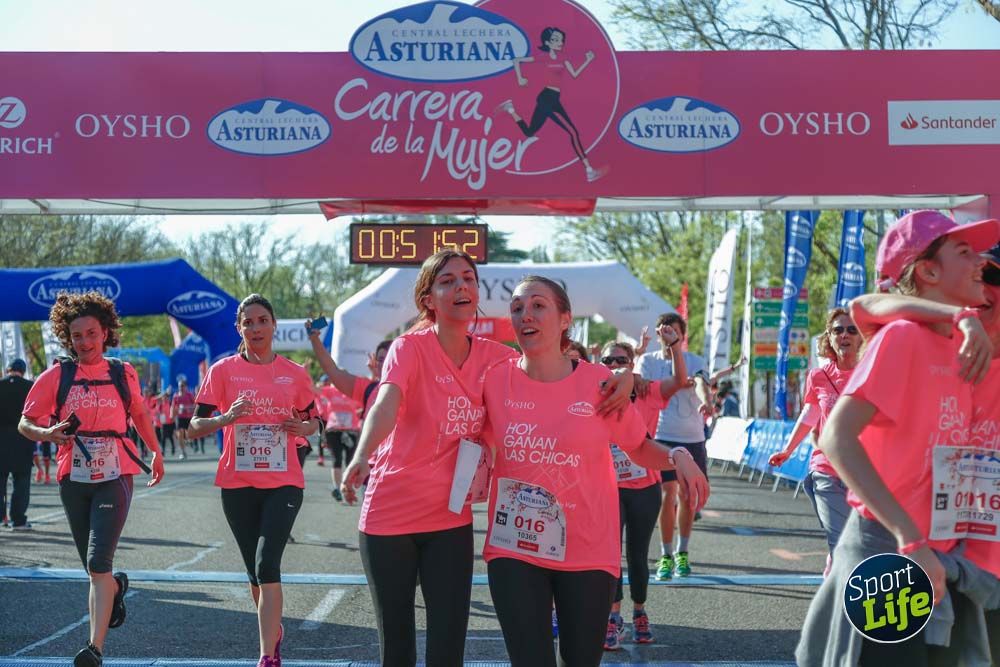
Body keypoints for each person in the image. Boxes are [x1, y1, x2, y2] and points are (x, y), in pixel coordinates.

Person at [339, 250, 634, 667]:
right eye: (447, 281)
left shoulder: (497, 358)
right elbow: (386, 401)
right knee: (398, 645)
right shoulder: (407, 348)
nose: (460, 286)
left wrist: (625, 375)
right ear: (429, 299)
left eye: (467, 279)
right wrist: (363, 453)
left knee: (448, 647)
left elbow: (557, 367)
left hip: (450, 519)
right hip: (391, 511)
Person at [795, 210, 1000, 665]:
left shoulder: (961, 351)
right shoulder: (904, 338)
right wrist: (910, 539)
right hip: (889, 555)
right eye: (964, 253)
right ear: (928, 271)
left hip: (947, 563)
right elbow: (835, 436)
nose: (979, 264)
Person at [478, 276, 709, 666]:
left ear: (565, 318)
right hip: (513, 546)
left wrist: (678, 457)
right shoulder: (494, 380)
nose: (525, 315)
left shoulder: (599, 384)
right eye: (517, 308)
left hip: (586, 549)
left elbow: (637, 446)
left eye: (538, 306)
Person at [18, 291, 165, 667]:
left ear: (105, 333)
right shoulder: (58, 375)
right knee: (92, 566)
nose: (84, 342)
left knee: (99, 561)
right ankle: (115, 587)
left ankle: (94, 648)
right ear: (68, 338)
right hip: (74, 475)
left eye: (91, 334)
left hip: (116, 472)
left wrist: (155, 451)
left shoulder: (121, 372)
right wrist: (48, 434)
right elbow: (26, 423)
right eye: (77, 336)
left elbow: (141, 414)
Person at [187, 294, 320, 667]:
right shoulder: (224, 371)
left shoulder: (295, 373)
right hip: (238, 483)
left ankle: (267, 656)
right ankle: (272, 629)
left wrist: (305, 425)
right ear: (239, 328)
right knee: (253, 573)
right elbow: (194, 426)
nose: (256, 328)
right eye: (249, 322)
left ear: (274, 325)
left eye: (263, 320)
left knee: (267, 565)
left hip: (284, 481)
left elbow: (317, 420)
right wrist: (224, 419)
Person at [598, 337, 690, 650]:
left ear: (632, 362)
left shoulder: (646, 391)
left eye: (620, 360)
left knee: (637, 555)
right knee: (610, 556)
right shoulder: (595, 391)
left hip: (644, 487)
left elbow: (680, 381)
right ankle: (613, 617)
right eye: (608, 361)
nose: (613, 366)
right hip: (608, 488)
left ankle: (639, 612)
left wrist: (675, 348)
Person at [768, 308, 862, 572]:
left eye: (852, 329)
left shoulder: (873, 372)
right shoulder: (818, 376)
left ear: (862, 337)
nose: (845, 335)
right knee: (840, 540)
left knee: (856, 542)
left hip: (863, 473)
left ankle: (833, 577)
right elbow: (810, 415)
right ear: (829, 338)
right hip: (826, 469)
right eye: (838, 330)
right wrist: (787, 450)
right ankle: (842, 599)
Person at [636, 312, 712, 580]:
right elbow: (643, 386)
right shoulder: (647, 361)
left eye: (672, 331)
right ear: (657, 335)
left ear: (682, 335)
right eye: (663, 331)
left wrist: (706, 400)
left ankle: (682, 552)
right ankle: (666, 555)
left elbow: (702, 382)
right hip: (662, 435)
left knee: (688, 498)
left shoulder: (695, 361)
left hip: (692, 437)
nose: (666, 336)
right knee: (668, 493)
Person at [497, 27, 604, 182]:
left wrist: (587, 60)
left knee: (530, 132)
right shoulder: (544, 56)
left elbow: (574, 74)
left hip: (555, 99)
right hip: (546, 98)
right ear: (547, 42)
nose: (559, 42)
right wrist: (520, 78)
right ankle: (589, 170)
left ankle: (510, 109)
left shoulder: (563, 57)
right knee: (572, 132)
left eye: (561, 39)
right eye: (555, 39)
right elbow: (516, 60)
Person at [1, 358, 34, 531]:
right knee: (21, 482)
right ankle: (18, 520)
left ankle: (1, 518)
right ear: (23, 370)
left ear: (8, 369)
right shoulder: (30, 387)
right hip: (23, 439)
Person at [171, 375, 196, 459]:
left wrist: (187, 408)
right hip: (180, 417)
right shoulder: (176, 396)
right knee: (180, 433)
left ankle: (190, 442)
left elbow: (195, 406)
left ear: (185, 387)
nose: (180, 388)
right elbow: (173, 407)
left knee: (189, 434)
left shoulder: (189, 395)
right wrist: (172, 415)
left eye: (182, 386)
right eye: (179, 386)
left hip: (188, 417)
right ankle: (183, 452)